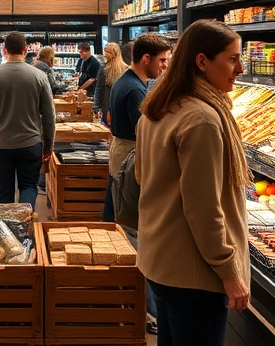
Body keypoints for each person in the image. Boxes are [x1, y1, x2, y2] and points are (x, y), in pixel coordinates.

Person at [135, 20, 251, 345]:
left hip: (161, 259)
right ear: (201, 62)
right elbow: (203, 209)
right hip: (195, 272)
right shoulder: (203, 120)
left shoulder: (157, 109)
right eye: (231, 59)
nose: (239, 68)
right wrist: (229, 272)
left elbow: (143, 177)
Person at [0, 31, 56, 209]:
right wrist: (49, 145)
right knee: (28, 186)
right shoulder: (39, 77)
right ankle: (24, 227)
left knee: (4, 191)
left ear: (4, 50)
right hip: (30, 143)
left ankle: (7, 232)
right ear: (26, 49)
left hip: (0, 143)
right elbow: (49, 116)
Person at [104, 34, 172, 222]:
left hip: (120, 152)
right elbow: (145, 132)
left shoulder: (125, 80)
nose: (165, 66)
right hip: (128, 156)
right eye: (163, 60)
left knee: (114, 208)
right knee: (127, 218)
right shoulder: (134, 90)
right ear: (146, 58)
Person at [93, 42, 128, 126]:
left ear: (113, 54)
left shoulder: (104, 68)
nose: (104, 55)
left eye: (106, 52)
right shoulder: (126, 68)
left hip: (109, 104)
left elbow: (99, 89)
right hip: (120, 105)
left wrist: (96, 107)